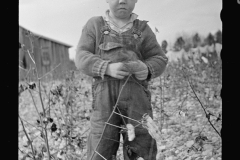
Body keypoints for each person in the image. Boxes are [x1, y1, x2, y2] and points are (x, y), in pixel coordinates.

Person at [75, 0, 168, 159]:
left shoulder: (143, 29)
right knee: (101, 146)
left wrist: (146, 69)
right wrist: (106, 67)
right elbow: (81, 57)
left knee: (141, 145)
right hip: (104, 102)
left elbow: (159, 58)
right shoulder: (95, 25)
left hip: (137, 101)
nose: (122, 1)